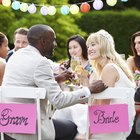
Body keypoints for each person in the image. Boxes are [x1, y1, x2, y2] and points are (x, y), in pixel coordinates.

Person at [2, 24, 107, 140]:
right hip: (32, 130)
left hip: (8, 125)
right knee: (73, 128)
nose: (55, 45)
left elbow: (29, 81)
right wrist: (89, 90)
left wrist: (57, 79)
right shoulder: (40, 62)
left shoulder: (16, 56)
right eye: (53, 40)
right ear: (43, 41)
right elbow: (59, 101)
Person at [86, 29, 135, 140]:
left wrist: (87, 133)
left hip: (110, 126)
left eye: (93, 44)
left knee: (70, 126)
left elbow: (102, 106)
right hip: (118, 124)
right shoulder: (112, 66)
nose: (89, 49)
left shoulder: (109, 68)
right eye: (88, 46)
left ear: (104, 45)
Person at [127, 31, 140, 140]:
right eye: (135, 43)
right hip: (135, 102)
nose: (136, 47)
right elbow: (128, 84)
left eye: (139, 43)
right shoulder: (131, 61)